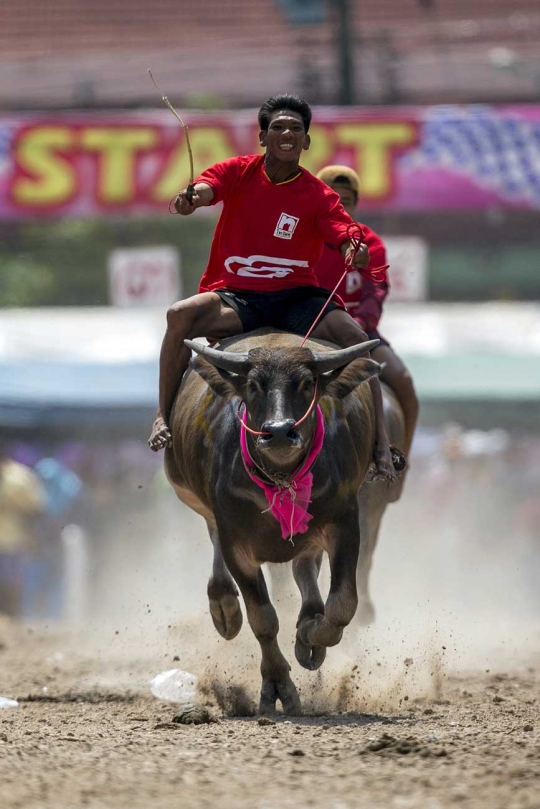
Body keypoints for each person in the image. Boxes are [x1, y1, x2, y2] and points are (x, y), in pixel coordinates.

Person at [148, 94, 397, 480]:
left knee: (357, 338)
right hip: (239, 298)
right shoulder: (239, 171)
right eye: (278, 127)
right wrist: (192, 198)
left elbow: (342, 232)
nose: (287, 133)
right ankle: (163, 414)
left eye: (296, 128)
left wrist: (354, 249)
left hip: (296, 299)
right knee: (178, 315)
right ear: (263, 137)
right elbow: (207, 187)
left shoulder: (318, 194)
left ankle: (381, 446)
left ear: (306, 142)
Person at [315, 165, 419, 461]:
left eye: (345, 200)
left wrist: (356, 325)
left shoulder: (370, 243)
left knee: (404, 380)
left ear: (356, 204)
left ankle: (400, 461)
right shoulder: (302, 239)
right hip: (305, 329)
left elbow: (375, 293)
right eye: (332, 199)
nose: (339, 206)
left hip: (357, 332)